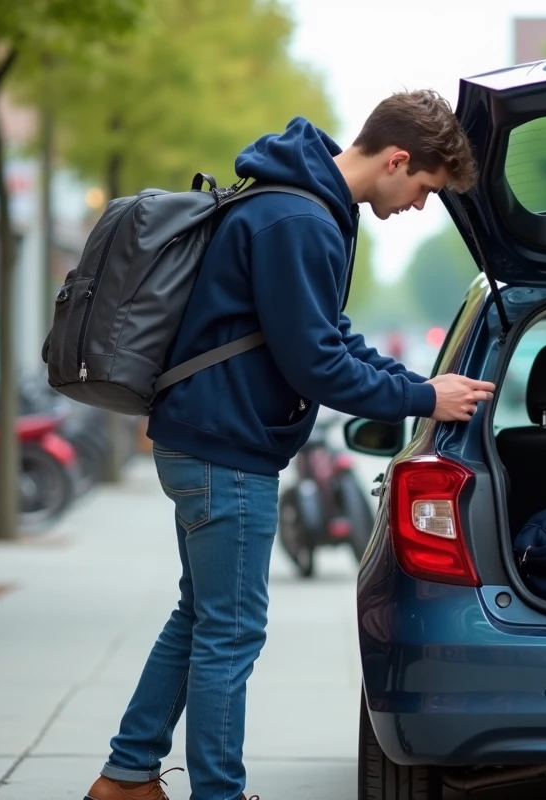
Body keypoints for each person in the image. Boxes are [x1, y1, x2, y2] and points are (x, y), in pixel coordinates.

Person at [84, 90, 493, 800]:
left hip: (208, 437)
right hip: (226, 448)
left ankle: (126, 776)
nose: (420, 205)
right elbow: (317, 365)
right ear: (397, 160)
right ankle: (216, 792)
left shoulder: (307, 205)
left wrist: (419, 383)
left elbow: (330, 336)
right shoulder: (298, 218)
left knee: (202, 619)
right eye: (426, 188)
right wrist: (424, 400)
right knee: (232, 632)